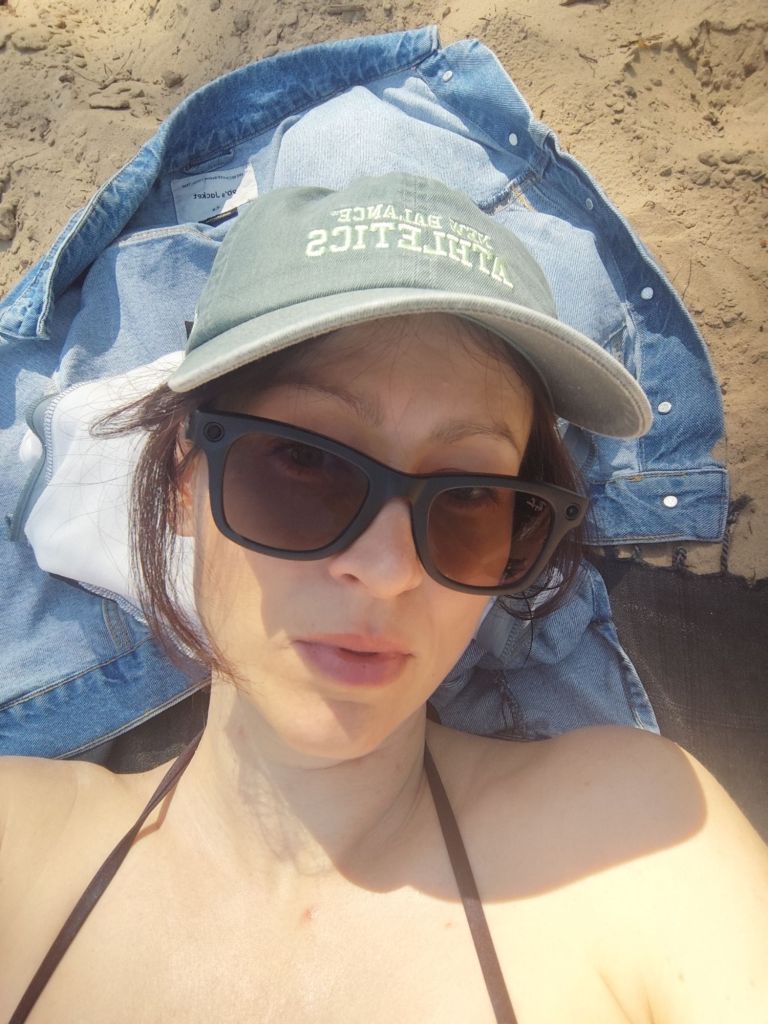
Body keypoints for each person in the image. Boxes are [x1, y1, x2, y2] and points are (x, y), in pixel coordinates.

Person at [1, 173, 766, 1023]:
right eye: (306, 460)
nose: (389, 567)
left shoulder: (634, 841)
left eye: (470, 494)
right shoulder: (19, 854)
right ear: (187, 477)